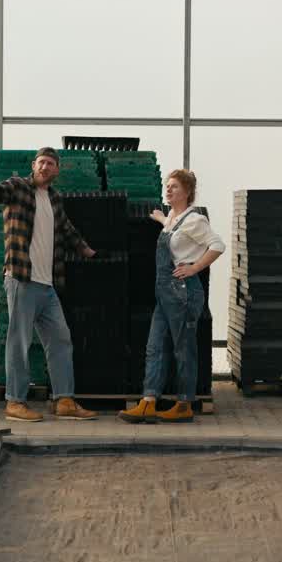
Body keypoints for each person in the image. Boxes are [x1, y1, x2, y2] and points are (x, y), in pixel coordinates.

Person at [0, 142, 98, 422]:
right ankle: (15, 402)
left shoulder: (54, 198)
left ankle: (64, 399)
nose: (45, 167)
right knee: (19, 342)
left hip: (47, 284)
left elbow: (66, 228)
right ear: (34, 166)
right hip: (22, 279)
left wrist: (86, 249)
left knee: (60, 339)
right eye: (41, 162)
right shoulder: (18, 187)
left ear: (57, 170)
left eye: (51, 163)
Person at [120, 169, 224, 424]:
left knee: (183, 349)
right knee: (155, 347)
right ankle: (148, 401)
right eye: (167, 186)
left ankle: (184, 404)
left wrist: (195, 267)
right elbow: (174, 231)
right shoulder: (175, 219)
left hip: (184, 292)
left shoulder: (195, 220)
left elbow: (217, 245)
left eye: (174, 186)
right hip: (165, 293)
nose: (168, 190)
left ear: (187, 192)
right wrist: (161, 219)